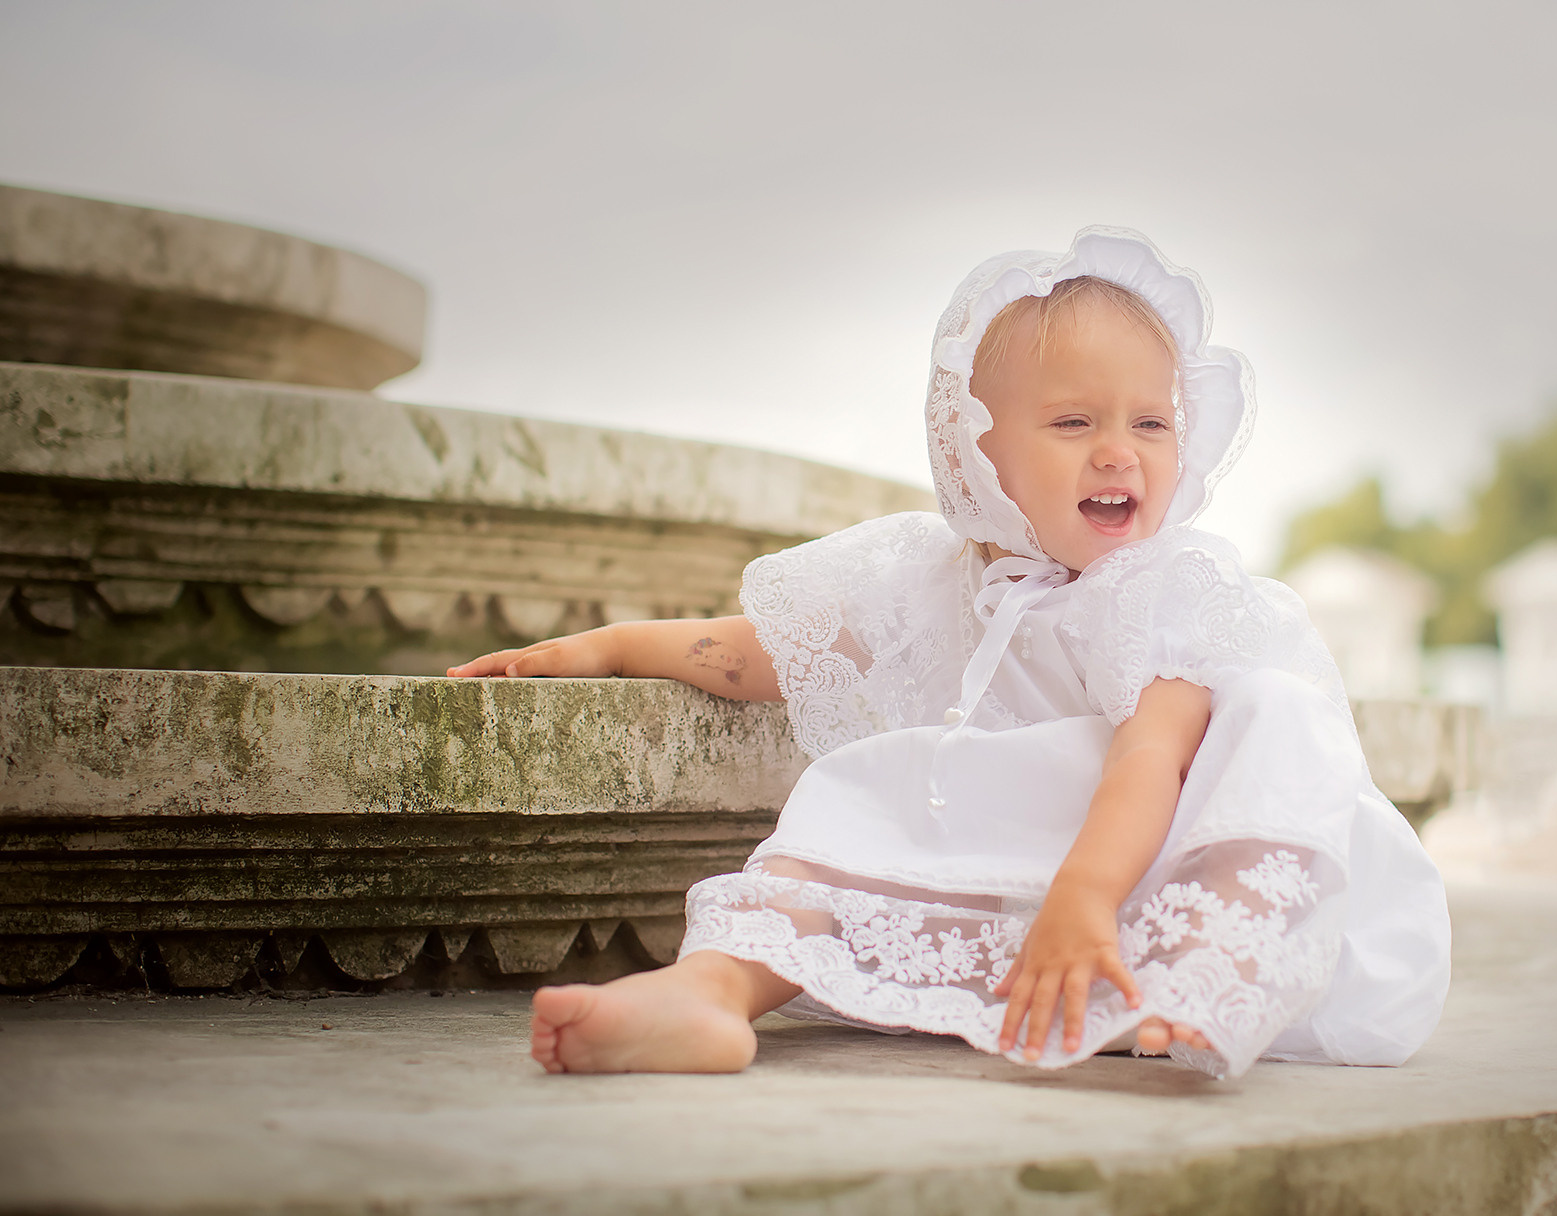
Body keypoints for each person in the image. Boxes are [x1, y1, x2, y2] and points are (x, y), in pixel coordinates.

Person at [448, 227, 1452, 1078]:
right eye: (1073, 422)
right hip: (1048, 861)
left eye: (1151, 422)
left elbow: (1150, 759)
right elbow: (771, 654)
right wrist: (611, 645)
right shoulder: (936, 578)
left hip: (1147, 860)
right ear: (978, 451)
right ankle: (712, 987)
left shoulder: (1170, 590)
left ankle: (1192, 979)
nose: (1120, 450)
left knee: (1273, 708)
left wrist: (1088, 894)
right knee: (866, 793)